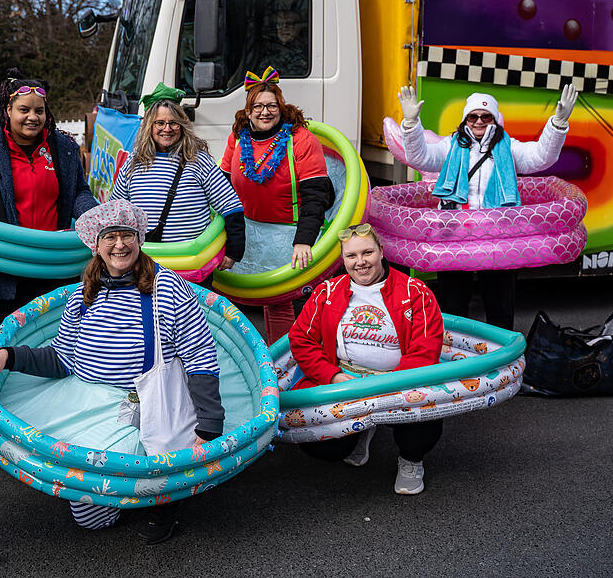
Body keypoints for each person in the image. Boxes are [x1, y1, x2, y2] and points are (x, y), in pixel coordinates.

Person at [0, 200, 224, 543]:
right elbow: (61, 359)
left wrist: (209, 424)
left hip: (147, 402)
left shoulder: (167, 289)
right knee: (90, 517)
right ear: (96, 245)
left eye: (127, 236)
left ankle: (165, 505)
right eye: (110, 237)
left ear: (139, 239)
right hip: (86, 400)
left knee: (162, 474)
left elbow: (199, 356)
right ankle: (127, 497)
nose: (119, 245)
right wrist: (10, 356)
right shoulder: (82, 295)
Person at [398, 84, 577, 330]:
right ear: (465, 119)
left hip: (498, 238)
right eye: (473, 116)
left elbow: (541, 157)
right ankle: (456, 361)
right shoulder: (450, 145)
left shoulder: (509, 146)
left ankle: (501, 362)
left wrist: (557, 124)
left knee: (500, 309)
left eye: (485, 116)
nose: (479, 121)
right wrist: (411, 123)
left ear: (494, 119)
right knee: (453, 306)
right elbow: (420, 157)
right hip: (454, 236)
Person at [288, 223, 444, 494]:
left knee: (423, 421)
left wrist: (387, 385)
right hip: (346, 380)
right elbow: (301, 339)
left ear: (381, 252)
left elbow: (426, 350)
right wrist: (333, 376)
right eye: (351, 256)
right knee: (323, 447)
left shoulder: (416, 292)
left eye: (367, 252)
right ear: (343, 259)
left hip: (400, 381)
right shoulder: (326, 292)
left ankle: (411, 460)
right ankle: (360, 431)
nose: (360, 262)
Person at [0, 68, 97, 331]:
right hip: (1, 272)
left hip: (52, 269)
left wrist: (97, 217)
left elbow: (78, 192)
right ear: (7, 110)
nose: (32, 117)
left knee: (51, 346)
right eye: (24, 110)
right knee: (6, 348)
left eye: (39, 111)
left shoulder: (63, 148)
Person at [110, 83, 244, 281]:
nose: (167, 129)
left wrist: (234, 252)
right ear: (149, 126)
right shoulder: (134, 161)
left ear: (182, 125)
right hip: (143, 265)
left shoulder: (198, 160)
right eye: (160, 123)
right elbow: (115, 209)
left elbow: (231, 206)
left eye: (173, 123)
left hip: (190, 266)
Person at [220, 66, 333, 273]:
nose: (265, 112)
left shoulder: (302, 140)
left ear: (281, 108)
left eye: (272, 106)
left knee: (281, 304)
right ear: (248, 110)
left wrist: (303, 241)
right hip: (246, 234)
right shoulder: (236, 139)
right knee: (244, 301)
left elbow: (316, 196)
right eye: (258, 106)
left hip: (289, 236)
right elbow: (222, 190)